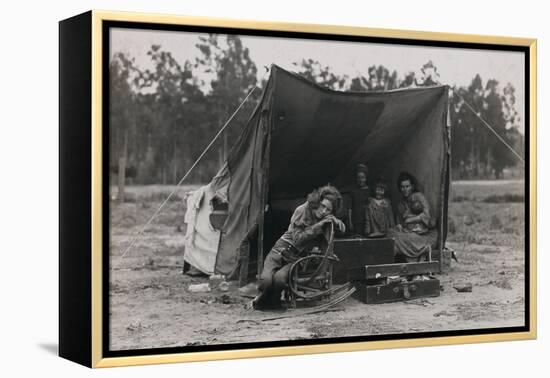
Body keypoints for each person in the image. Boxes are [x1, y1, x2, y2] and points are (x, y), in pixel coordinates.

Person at [251, 185, 346, 310]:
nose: (323, 211)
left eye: (328, 210)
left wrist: (337, 222)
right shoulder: (301, 210)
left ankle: (275, 302)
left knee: (279, 279)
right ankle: (262, 300)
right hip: (279, 250)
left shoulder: (325, 219)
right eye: (323, 206)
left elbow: (342, 230)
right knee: (266, 281)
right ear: (317, 202)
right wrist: (318, 226)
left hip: (295, 257)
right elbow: (298, 239)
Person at [388, 172, 437, 263]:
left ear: (412, 186)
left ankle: (421, 252)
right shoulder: (401, 204)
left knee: (397, 239)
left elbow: (427, 216)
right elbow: (400, 221)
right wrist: (400, 225)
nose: (405, 189)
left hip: (425, 235)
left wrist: (410, 220)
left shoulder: (418, 197)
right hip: (411, 233)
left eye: (407, 186)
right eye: (402, 187)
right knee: (390, 233)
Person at [347, 163, 371, 237]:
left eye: (363, 177)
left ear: (366, 178)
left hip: (367, 222)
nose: (361, 180)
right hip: (356, 222)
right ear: (356, 178)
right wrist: (350, 222)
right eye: (359, 177)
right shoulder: (353, 191)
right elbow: (350, 208)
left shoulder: (370, 191)